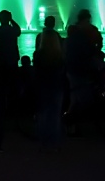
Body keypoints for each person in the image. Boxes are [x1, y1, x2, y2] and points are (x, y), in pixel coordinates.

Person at [33, 16, 65, 150]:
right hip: (56, 86)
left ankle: (43, 142)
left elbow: (36, 71)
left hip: (42, 86)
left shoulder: (38, 55)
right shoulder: (59, 56)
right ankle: (54, 142)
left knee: (42, 114)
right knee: (55, 115)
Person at [0, 9, 21, 101]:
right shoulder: (13, 30)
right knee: (13, 84)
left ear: (0, 19)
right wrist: (11, 19)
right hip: (12, 59)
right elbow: (18, 30)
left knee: (1, 84)